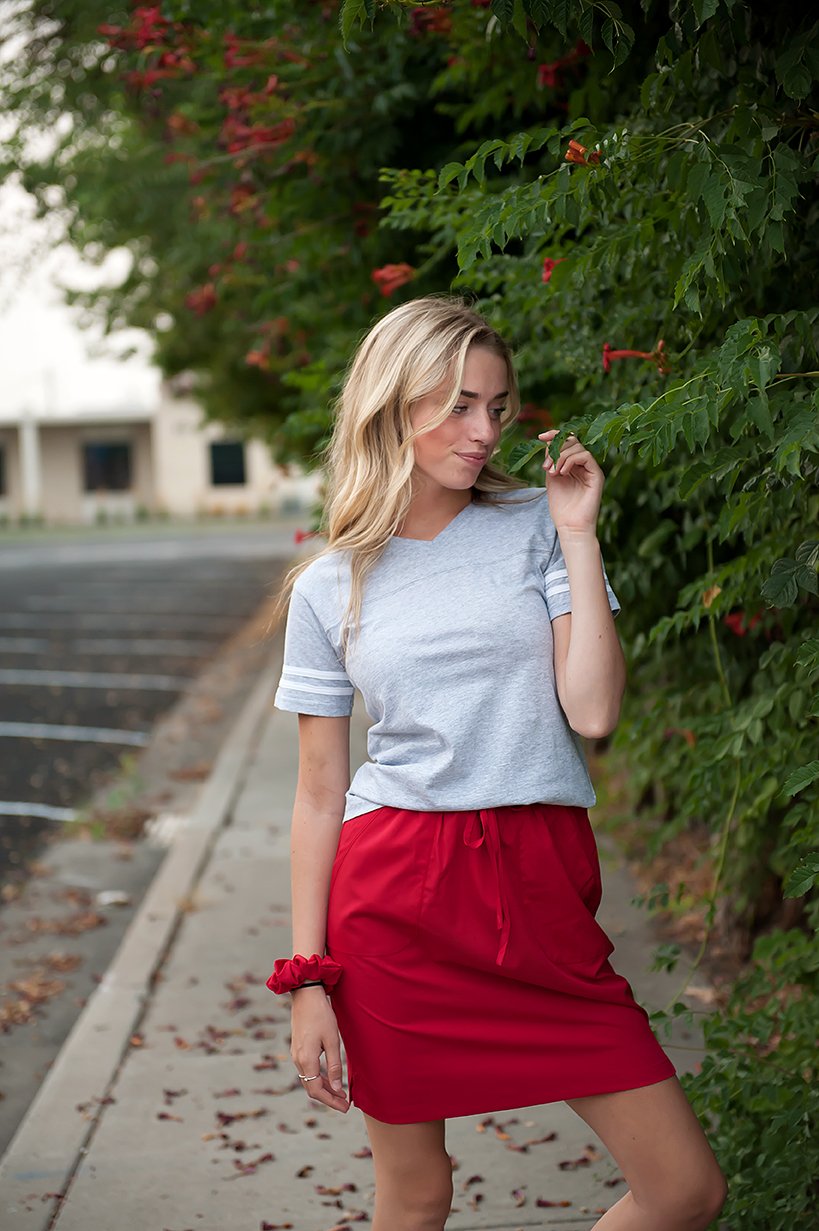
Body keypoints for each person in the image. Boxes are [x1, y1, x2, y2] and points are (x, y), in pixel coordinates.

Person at [266, 296, 727, 1231]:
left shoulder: (535, 524)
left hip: (539, 886)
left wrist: (579, 533)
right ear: (394, 405)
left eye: (498, 406)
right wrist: (307, 979)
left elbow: (592, 708)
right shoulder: (329, 585)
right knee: (417, 1192)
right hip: (395, 901)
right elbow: (319, 794)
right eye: (458, 405)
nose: (483, 431)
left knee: (684, 1188)